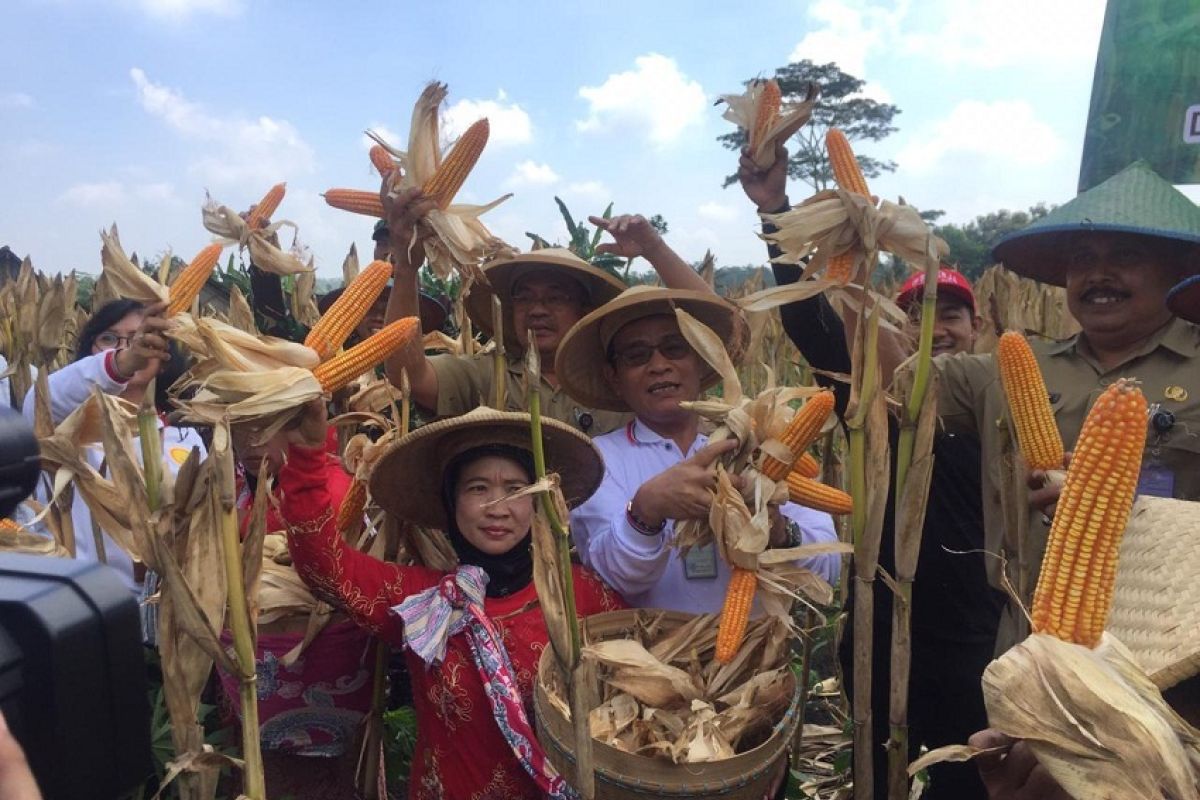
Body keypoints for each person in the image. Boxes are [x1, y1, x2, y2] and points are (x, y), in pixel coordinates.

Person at [737, 143, 1003, 799]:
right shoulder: (875, 392)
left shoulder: (998, 401)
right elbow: (809, 319)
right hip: (880, 619)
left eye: (951, 313)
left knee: (963, 782)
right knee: (875, 770)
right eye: (917, 314)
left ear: (978, 324)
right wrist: (776, 211)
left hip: (973, 633)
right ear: (895, 322)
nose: (935, 327)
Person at [278, 401, 625, 799]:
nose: (497, 508)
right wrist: (307, 454)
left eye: (515, 489)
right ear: (451, 503)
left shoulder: (582, 595)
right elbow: (326, 567)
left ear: (540, 500)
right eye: (478, 489)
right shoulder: (425, 601)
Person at [560, 285, 840, 611]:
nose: (659, 365)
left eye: (674, 348)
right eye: (637, 356)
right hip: (647, 655)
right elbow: (614, 577)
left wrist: (778, 531)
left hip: (757, 654)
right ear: (614, 377)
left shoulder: (762, 445)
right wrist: (646, 511)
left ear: (701, 360)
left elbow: (828, 569)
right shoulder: (595, 460)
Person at [380, 187, 705, 436]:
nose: (537, 309)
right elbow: (406, 374)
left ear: (586, 311)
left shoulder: (621, 376)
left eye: (555, 298)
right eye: (524, 298)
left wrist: (655, 249)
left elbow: (714, 339)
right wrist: (407, 268)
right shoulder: (486, 375)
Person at [21, 300, 204, 596]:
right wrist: (121, 364)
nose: (126, 347)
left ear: (165, 358)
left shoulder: (187, 440)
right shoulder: (64, 428)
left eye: (138, 337)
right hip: (77, 604)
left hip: (166, 612)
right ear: (90, 354)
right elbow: (40, 400)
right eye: (109, 338)